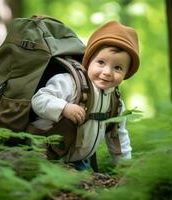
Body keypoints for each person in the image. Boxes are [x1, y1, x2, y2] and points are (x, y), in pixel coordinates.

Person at [31, 21, 140, 170]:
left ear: (126, 74)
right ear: (88, 61)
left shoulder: (116, 102)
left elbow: (118, 136)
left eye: (118, 67)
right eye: (101, 62)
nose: (107, 72)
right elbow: (39, 100)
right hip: (45, 156)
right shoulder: (70, 83)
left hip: (79, 162)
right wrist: (63, 107)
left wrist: (125, 167)